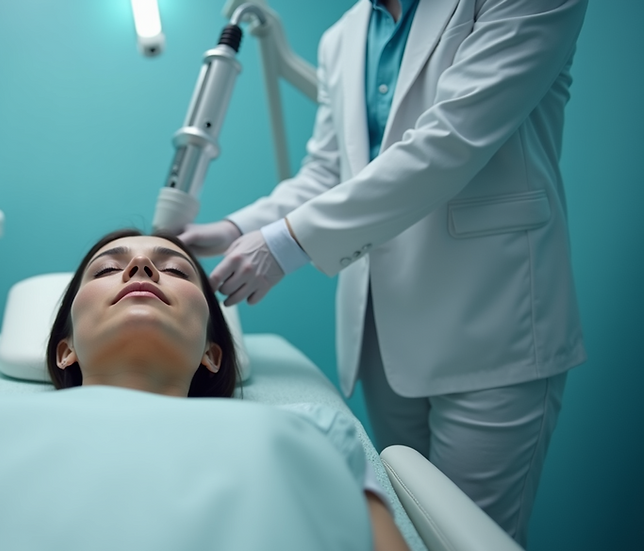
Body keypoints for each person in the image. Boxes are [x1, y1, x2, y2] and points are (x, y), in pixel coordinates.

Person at [179, 0, 587, 545]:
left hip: (492, 323)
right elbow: (328, 172)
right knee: (411, 531)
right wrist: (231, 230)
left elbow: (451, 140)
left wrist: (284, 244)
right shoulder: (343, 35)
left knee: (465, 538)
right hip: (382, 333)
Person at [0, 229, 410, 551]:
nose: (140, 265)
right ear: (64, 346)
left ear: (214, 350)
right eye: (107, 267)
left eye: (175, 269)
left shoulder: (315, 431)